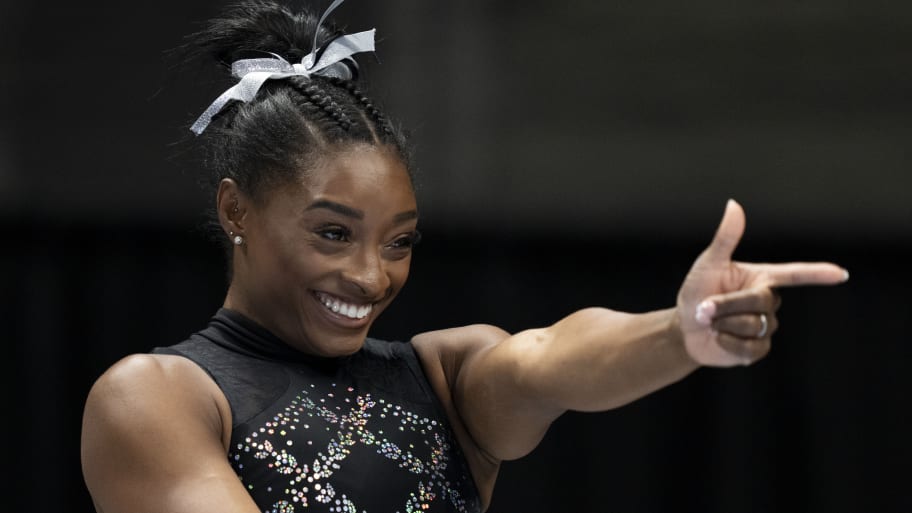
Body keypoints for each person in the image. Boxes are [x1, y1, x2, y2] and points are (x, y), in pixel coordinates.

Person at [79, 1, 849, 512]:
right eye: (334, 233)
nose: (372, 275)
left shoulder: (444, 382)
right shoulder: (160, 396)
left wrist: (682, 333)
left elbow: (553, 357)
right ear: (234, 210)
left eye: (400, 240)